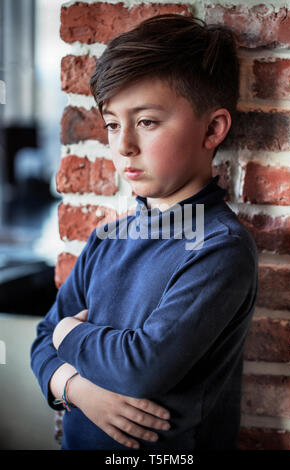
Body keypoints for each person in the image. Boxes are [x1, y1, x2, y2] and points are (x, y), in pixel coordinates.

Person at [31, 13, 258, 451]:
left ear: (213, 129)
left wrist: (68, 336)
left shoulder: (219, 248)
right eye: (113, 123)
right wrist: (79, 391)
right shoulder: (107, 239)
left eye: (147, 122)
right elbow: (42, 338)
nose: (122, 145)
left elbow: (142, 367)